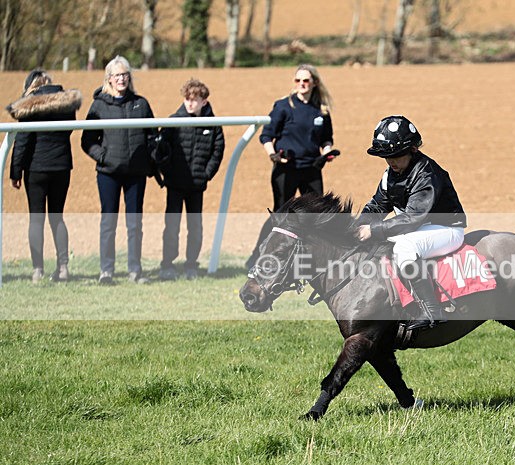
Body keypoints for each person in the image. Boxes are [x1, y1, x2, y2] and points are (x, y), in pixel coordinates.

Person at [356, 116, 467, 330]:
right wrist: (357, 227)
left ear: (413, 149)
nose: (391, 162)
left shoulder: (427, 172)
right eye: (386, 157)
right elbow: (378, 206)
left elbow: (413, 218)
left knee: (405, 246)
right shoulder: (390, 174)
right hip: (419, 229)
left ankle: (432, 311)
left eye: (396, 156)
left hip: (446, 230)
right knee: (381, 243)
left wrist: (374, 230)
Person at [245, 64, 338, 269]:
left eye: (305, 80)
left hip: (311, 169)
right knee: (280, 216)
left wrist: (326, 153)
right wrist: (273, 155)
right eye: (298, 81)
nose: (302, 84)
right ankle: (257, 258)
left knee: (315, 216)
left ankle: (312, 262)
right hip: (286, 169)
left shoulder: (321, 110)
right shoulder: (283, 107)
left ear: (314, 82)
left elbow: (326, 139)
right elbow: (266, 135)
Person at [81, 55, 156, 285]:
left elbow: (152, 135)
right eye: (117, 75)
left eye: (125, 74)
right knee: (108, 222)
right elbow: (88, 140)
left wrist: (149, 159)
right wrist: (103, 157)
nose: (122, 78)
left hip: (135, 173)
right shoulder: (99, 105)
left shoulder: (141, 104)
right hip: (108, 173)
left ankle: (135, 270)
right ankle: (107, 271)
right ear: (109, 79)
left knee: (135, 224)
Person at [6, 70, 81, 283]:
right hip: (62, 167)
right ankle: (63, 267)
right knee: (57, 217)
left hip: (36, 168)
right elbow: (68, 132)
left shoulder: (30, 104)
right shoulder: (66, 103)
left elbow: (22, 141)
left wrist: (15, 172)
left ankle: (37, 270)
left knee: (36, 219)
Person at [152, 79, 225, 281]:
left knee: (195, 226)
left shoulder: (213, 124)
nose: (190, 103)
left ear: (204, 101)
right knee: (172, 226)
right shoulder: (173, 121)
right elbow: (161, 150)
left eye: (195, 99)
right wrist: (168, 173)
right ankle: (167, 264)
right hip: (175, 184)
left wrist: (206, 174)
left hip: (196, 186)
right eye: (187, 99)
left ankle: (191, 264)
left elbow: (218, 151)